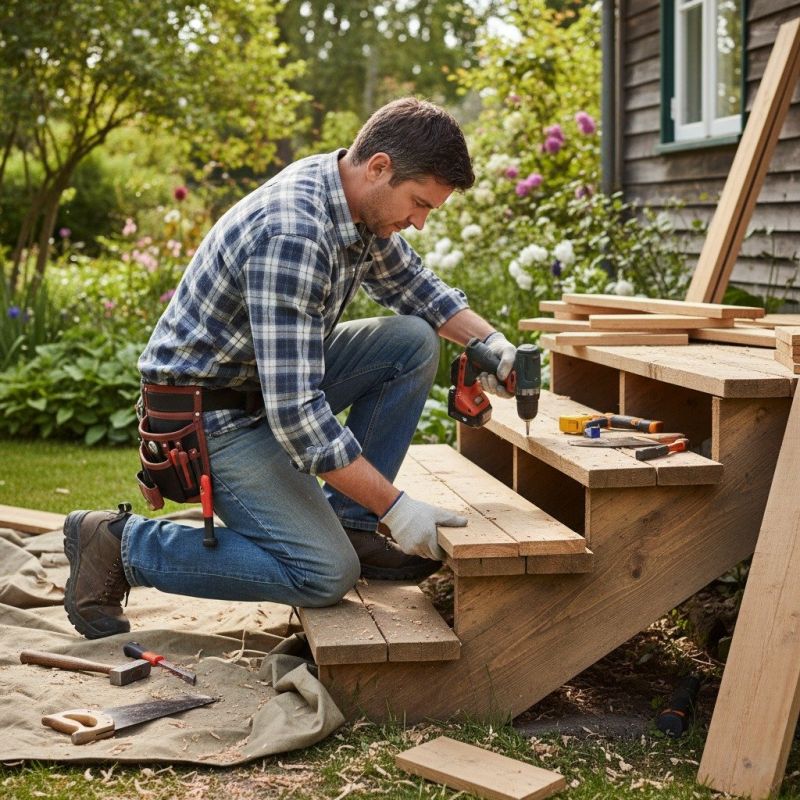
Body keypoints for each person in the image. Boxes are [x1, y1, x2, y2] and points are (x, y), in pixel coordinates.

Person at [63, 97, 519, 640]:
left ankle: (350, 523)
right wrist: (397, 509)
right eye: (419, 203)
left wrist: (492, 343)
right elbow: (299, 418)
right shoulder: (294, 233)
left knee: (411, 342)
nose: (419, 223)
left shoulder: (352, 200)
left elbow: (415, 288)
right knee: (324, 573)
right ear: (379, 167)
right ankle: (120, 545)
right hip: (208, 419)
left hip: (257, 387)